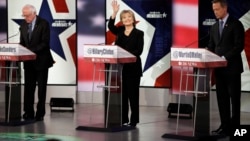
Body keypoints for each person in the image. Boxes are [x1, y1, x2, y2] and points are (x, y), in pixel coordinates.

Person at [207, 0, 245, 136]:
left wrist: (224, 57)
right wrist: (207, 55)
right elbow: (211, 45)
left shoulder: (236, 24)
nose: (215, 12)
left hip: (232, 69)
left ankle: (235, 129)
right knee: (221, 99)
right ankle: (224, 126)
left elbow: (239, 46)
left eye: (217, 9)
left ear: (225, 8)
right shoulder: (214, 27)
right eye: (213, 9)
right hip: (219, 70)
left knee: (234, 100)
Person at [108, 0, 144, 127]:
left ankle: (133, 121)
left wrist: (124, 54)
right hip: (119, 69)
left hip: (133, 69)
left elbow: (138, 51)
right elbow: (110, 27)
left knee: (133, 96)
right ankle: (123, 119)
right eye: (124, 18)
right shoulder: (119, 31)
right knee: (122, 97)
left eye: (129, 17)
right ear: (122, 20)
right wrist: (114, 13)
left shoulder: (139, 33)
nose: (127, 19)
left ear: (133, 19)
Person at [19, 4, 54, 121]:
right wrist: (21, 50)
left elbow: (45, 43)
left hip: (41, 61)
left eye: (27, 15)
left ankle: (40, 113)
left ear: (34, 14)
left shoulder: (44, 24)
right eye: (24, 15)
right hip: (28, 62)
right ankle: (28, 112)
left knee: (41, 89)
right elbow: (22, 42)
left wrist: (30, 51)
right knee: (28, 88)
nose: (25, 18)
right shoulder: (23, 25)